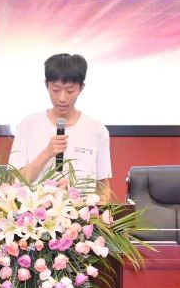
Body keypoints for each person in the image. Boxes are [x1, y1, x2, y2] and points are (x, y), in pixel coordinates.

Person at [9, 53, 112, 197]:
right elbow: (15, 182)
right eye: (56, 89)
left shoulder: (97, 130)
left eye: (70, 90)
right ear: (46, 85)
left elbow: (103, 187)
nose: (62, 98)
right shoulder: (27, 125)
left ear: (81, 88)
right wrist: (47, 153)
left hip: (82, 210)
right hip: (34, 210)